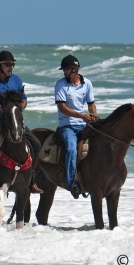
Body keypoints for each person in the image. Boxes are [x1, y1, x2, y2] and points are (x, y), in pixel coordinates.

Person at [0, 50, 42, 195]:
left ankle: (32, 180)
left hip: (13, 122)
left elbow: (23, 100)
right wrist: (2, 107)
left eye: (12, 64)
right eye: (7, 64)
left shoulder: (17, 80)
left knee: (36, 144)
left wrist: (18, 107)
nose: (10, 67)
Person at [54, 54, 98, 198]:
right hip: (68, 125)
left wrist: (93, 117)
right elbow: (62, 108)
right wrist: (82, 116)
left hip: (84, 123)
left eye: (67, 69)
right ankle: (72, 182)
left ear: (75, 69)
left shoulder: (87, 84)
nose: (64, 72)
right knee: (72, 150)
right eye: (64, 70)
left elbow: (91, 104)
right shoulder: (60, 84)